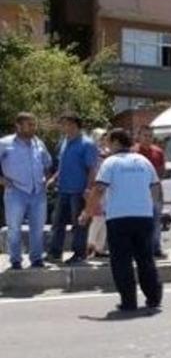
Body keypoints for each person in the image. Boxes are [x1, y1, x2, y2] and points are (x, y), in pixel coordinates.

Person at [79, 129, 162, 312]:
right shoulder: (143, 161)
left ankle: (129, 301)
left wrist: (87, 212)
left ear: (116, 142)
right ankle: (154, 297)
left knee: (121, 261)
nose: (106, 145)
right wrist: (152, 208)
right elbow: (155, 188)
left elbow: (99, 189)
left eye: (108, 141)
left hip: (119, 218)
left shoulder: (110, 163)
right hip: (143, 217)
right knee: (145, 259)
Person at [0, 113, 52, 269]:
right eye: (29, 124)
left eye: (34, 124)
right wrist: (2, 181)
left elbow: (48, 163)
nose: (33, 127)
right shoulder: (4, 143)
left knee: (37, 228)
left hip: (38, 192)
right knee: (14, 228)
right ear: (18, 125)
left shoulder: (39, 143)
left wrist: (46, 180)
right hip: (15, 191)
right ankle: (15, 260)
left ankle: (36, 259)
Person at [47, 113, 98, 264]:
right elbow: (63, 165)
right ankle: (55, 253)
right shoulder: (64, 142)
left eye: (65, 124)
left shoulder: (87, 144)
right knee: (57, 223)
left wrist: (88, 189)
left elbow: (92, 169)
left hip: (79, 191)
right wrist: (54, 178)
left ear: (74, 125)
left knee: (79, 225)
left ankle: (79, 254)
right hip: (63, 190)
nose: (62, 127)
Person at [134, 125, 166, 258]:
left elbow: (161, 171)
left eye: (150, 136)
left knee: (156, 219)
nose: (148, 138)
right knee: (139, 221)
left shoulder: (158, 152)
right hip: (138, 191)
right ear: (138, 136)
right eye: (145, 135)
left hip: (155, 189)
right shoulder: (133, 152)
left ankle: (156, 247)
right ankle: (139, 248)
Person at [86, 128, 110, 258]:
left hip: (108, 189)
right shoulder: (92, 153)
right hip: (96, 187)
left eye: (105, 138)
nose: (104, 140)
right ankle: (90, 245)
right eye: (101, 138)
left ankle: (100, 248)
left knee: (105, 219)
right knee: (97, 218)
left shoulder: (108, 153)